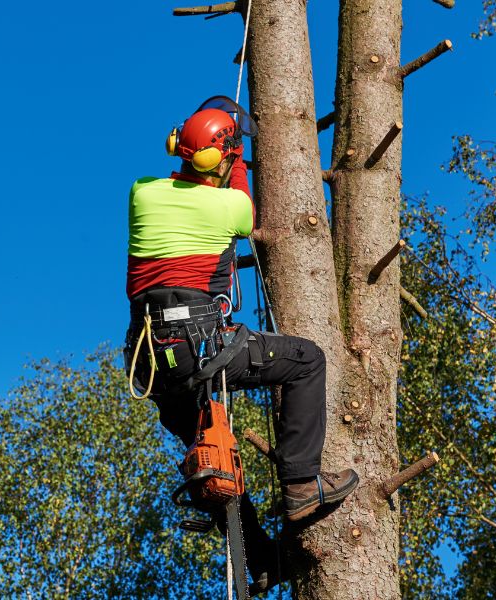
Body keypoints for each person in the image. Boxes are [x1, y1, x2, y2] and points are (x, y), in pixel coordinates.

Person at [124, 96, 359, 592]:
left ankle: (262, 560)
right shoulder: (228, 206)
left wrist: (218, 153)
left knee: (214, 460)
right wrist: (238, 161)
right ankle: (302, 484)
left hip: (152, 365)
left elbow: (187, 182)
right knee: (307, 361)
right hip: (200, 346)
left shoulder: (142, 193)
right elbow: (245, 210)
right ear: (222, 160)